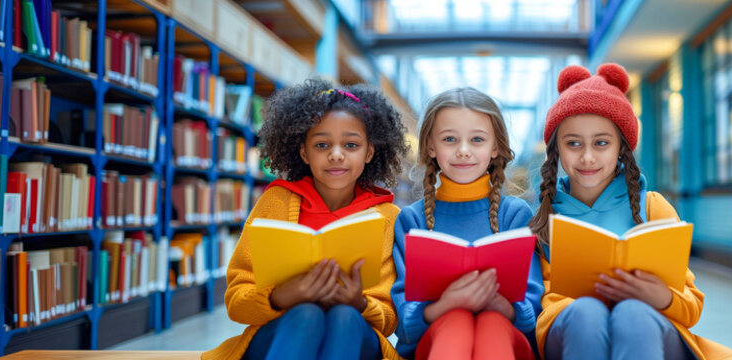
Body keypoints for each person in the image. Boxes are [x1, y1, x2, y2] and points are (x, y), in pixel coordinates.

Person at [530, 64, 732, 360]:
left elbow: (691, 305)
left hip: (648, 328)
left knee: (632, 313)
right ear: (556, 150)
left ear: (621, 148)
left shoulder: (653, 206)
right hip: (571, 329)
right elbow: (538, 303)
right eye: (573, 143)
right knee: (586, 313)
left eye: (601, 143)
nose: (588, 156)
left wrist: (663, 297)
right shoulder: (543, 216)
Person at [203, 78, 409, 360]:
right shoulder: (275, 203)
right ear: (304, 152)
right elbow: (237, 302)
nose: (336, 155)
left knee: (344, 316)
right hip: (285, 331)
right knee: (307, 314)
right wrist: (282, 297)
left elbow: (388, 320)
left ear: (370, 152)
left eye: (351, 145)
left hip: (354, 336)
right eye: (322, 145)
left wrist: (358, 302)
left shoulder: (388, 218)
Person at [390, 87, 542, 360]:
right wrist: (447, 305)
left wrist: (500, 305)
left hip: (506, 339)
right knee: (457, 320)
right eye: (450, 139)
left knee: (491, 323)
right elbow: (401, 323)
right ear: (430, 147)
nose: (463, 151)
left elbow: (532, 313)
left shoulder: (515, 215)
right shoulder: (411, 220)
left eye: (477, 140)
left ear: (495, 148)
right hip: (435, 342)